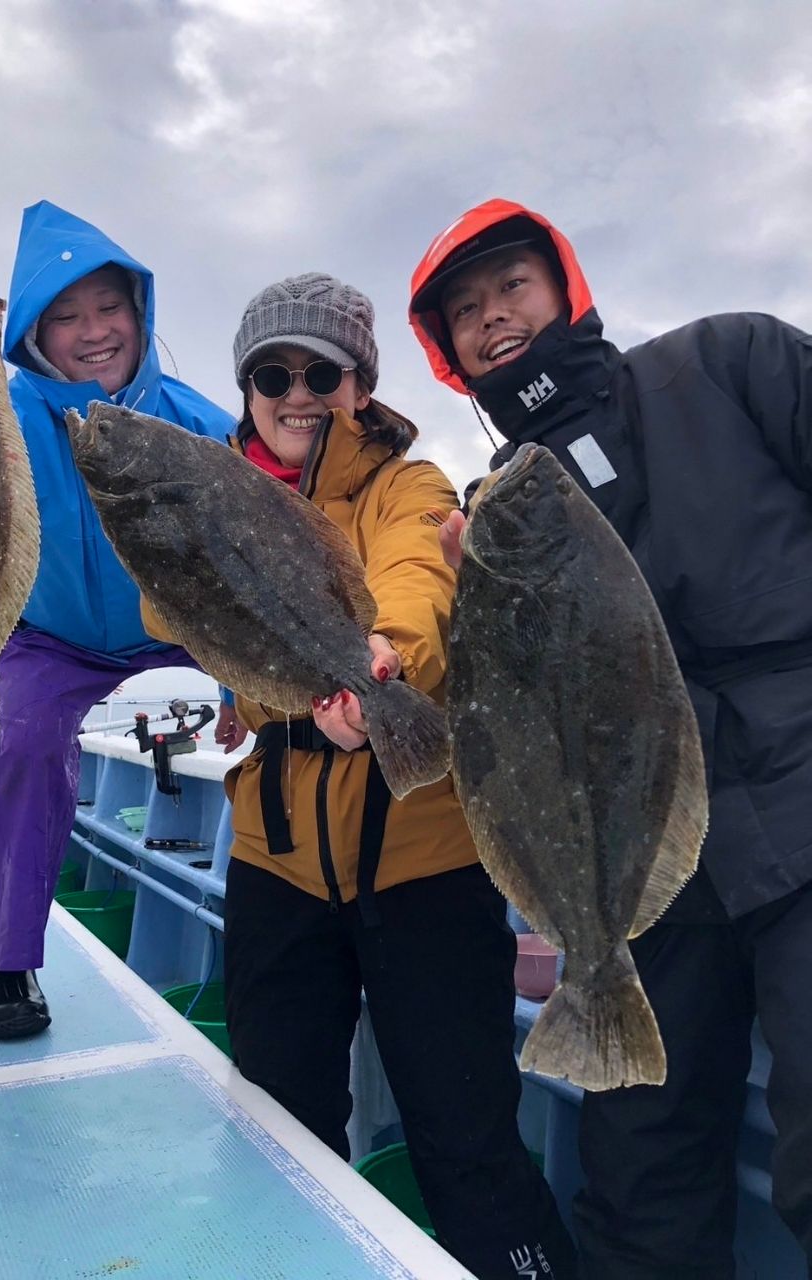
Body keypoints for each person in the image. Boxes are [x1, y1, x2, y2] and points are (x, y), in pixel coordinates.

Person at [142, 273, 578, 1280]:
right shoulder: (212, 494)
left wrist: (380, 653)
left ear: (360, 382)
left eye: (319, 370)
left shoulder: (408, 484)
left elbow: (418, 578)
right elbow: (167, 615)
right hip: (275, 867)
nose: (296, 392)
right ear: (245, 386)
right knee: (276, 1136)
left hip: (426, 866)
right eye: (270, 372)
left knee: (468, 1146)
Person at [408, 196, 812, 1279]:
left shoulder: (731, 359)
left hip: (803, 791)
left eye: (512, 286)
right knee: (639, 1180)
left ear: (566, 285)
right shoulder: (489, 514)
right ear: (448, 353)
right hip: (648, 880)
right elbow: (513, 734)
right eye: (465, 310)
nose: (493, 317)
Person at [0, 201, 233, 1040]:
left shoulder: (204, 427)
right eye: (67, 315)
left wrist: (236, 679)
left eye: (109, 307)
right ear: (35, 334)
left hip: (185, 621)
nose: (94, 332)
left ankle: (283, 936)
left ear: (139, 311)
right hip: (54, 633)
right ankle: (3, 965)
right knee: (28, 745)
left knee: (281, 716)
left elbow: (246, 569)